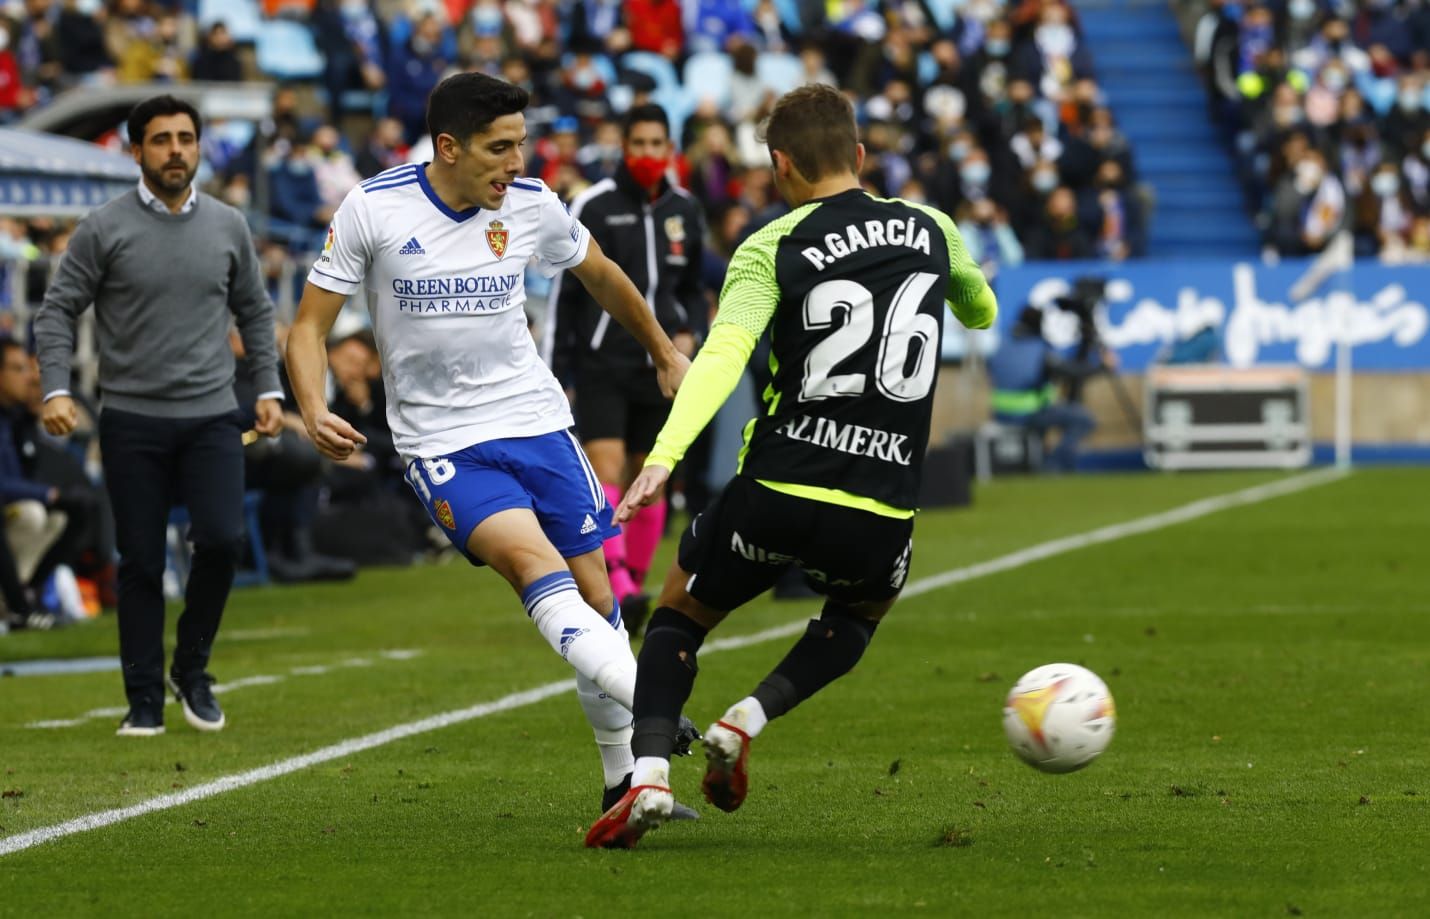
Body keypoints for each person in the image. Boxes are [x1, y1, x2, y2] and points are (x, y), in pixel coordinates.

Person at [584, 83, 998, 848]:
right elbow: (981, 311)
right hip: (881, 501)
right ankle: (749, 718)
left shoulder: (770, 245)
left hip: (777, 486)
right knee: (857, 613)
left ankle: (645, 773)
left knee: (678, 614)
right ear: (861, 156)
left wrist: (664, 458)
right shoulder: (933, 227)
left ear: (781, 165)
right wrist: (960, 284)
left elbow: (722, 356)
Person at [285, 72, 700, 818]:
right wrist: (312, 406)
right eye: (499, 148)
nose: (517, 163)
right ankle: (654, 711)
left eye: (521, 144)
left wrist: (664, 352)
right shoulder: (374, 208)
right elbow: (310, 324)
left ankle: (620, 782)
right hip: (442, 440)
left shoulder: (534, 207)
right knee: (532, 566)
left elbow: (603, 276)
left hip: (536, 422)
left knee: (600, 599)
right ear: (448, 146)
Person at [34, 94, 284, 736]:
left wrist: (268, 388)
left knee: (224, 539)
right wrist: (56, 389)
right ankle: (143, 697)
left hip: (211, 416)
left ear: (198, 147)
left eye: (186, 138)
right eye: (162, 139)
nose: (176, 150)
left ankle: (191, 672)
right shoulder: (103, 228)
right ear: (136, 149)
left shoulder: (228, 224)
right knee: (140, 560)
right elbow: (57, 310)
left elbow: (255, 311)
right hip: (132, 418)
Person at [545, 103, 707, 636]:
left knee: (651, 477)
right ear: (623, 148)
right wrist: (555, 370)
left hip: (661, 368)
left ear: (669, 149)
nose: (645, 154)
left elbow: (689, 288)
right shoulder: (593, 203)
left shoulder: (686, 208)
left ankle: (633, 579)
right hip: (603, 361)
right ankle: (619, 583)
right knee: (606, 470)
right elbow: (567, 294)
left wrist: (687, 331)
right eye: (636, 144)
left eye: (655, 144)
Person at [984, 305, 1111, 473]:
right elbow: (1073, 372)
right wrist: (1102, 366)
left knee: (1047, 412)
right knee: (1083, 419)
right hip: (1029, 413)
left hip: (1000, 414)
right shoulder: (1039, 349)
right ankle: (1053, 466)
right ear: (1040, 324)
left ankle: (1039, 460)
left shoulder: (1001, 346)